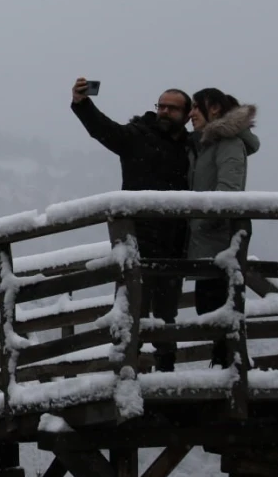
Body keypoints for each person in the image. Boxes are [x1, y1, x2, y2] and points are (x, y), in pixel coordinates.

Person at [69, 78, 192, 372]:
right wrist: (82, 104)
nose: (164, 111)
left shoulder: (191, 146)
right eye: (161, 105)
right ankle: (126, 373)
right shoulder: (138, 136)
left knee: (166, 312)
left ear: (187, 115)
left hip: (175, 240)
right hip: (137, 237)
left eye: (172, 108)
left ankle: (166, 372)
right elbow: (104, 130)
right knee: (132, 308)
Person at [186, 88, 259, 367]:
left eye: (196, 107)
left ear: (213, 109)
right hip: (207, 244)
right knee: (210, 312)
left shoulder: (227, 143)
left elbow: (228, 191)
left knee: (218, 312)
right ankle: (224, 369)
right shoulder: (208, 145)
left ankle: (228, 374)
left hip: (219, 244)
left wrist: (199, 223)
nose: (191, 114)